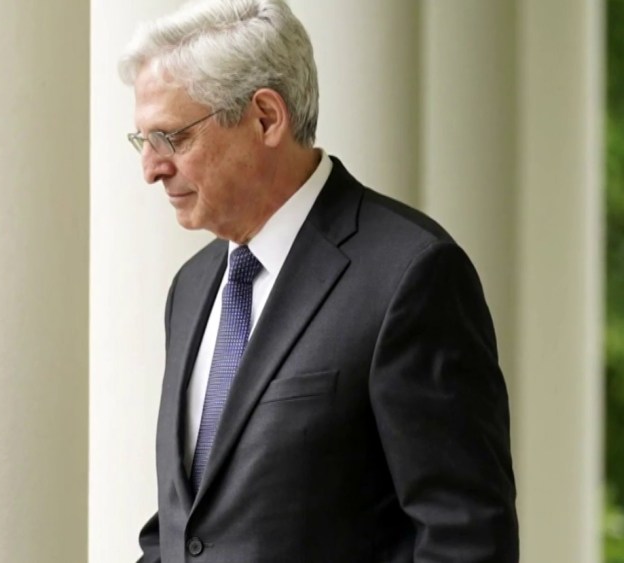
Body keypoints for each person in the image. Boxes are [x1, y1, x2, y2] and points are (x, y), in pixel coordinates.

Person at [118, 0, 519, 561]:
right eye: (144, 141)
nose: (152, 168)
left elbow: (465, 538)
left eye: (172, 138)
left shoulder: (410, 275)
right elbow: (182, 530)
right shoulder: (192, 287)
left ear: (266, 118)